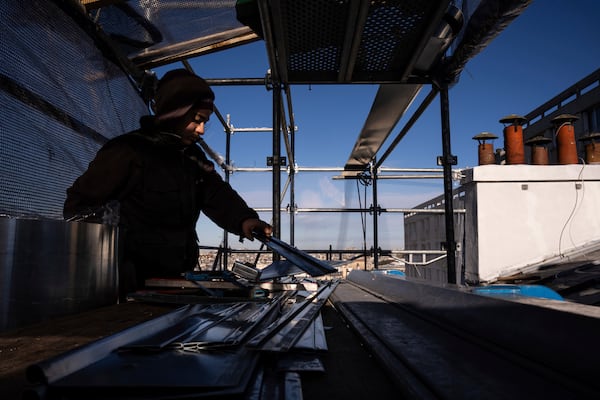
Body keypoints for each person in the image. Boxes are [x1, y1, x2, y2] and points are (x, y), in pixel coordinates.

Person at [64, 69, 272, 298]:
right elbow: (79, 207)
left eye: (205, 122)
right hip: (130, 285)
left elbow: (216, 193)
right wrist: (109, 265)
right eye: (197, 120)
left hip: (174, 280)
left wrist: (245, 219)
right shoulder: (128, 152)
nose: (201, 130)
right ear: (176, 113)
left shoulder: (191, 157)